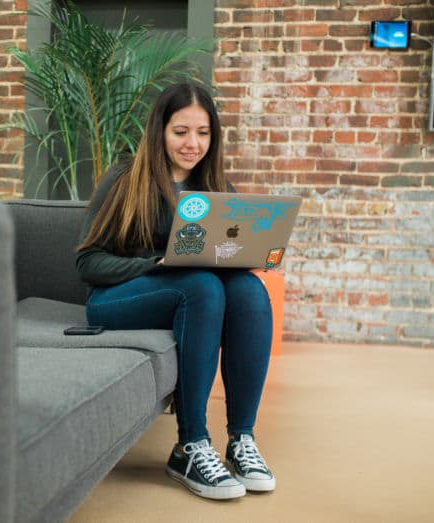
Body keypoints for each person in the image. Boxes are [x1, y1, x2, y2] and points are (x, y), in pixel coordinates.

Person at [75, 82, 275, 500]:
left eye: (203, 133)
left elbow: (226, 255)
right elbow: (88, 262)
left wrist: (248, 252)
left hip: (191, 293)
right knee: (200, 287)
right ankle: (190, 445)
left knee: (250, 290)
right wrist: (157, 264)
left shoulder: (216, 186)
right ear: (160, 131)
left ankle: (241, 439)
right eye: (181, 131)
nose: (192, 143)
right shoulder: (126, 178)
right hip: (115, 301)